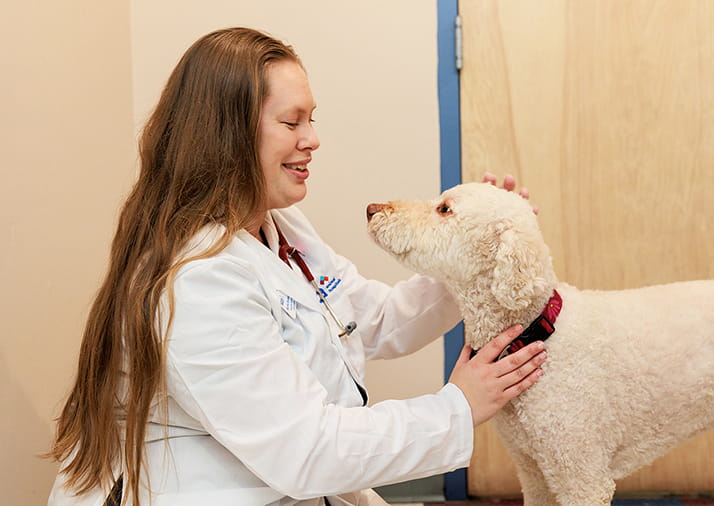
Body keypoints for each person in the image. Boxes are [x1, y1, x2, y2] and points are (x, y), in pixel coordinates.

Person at [46, 27, 547, 506]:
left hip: (288, 484)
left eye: (312, 119)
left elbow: (374, 318)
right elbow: (306, 448)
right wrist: (457, 406)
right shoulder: (197, 280)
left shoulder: (280, 225)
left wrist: (473, 256)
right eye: (292, 122)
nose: (312, 139)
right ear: (228, 135)